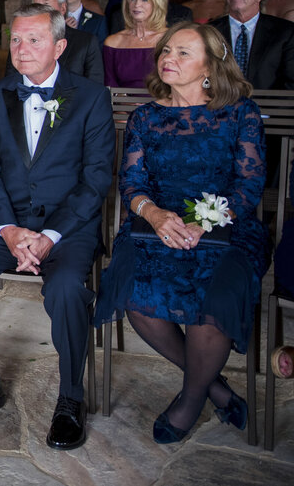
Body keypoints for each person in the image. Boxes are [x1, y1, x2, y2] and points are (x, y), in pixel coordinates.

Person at [0, 5, 114, 450]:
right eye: (16, 39)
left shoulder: (93, 97)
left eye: (34, 40)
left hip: (67, 229)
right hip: (6, 224)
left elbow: (96, 179)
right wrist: (9, 231)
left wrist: (49, 235)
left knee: (67, 289)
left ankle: (70, 397)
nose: (21, 49)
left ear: (60, 46)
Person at [93, 23, 262, 443]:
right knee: (139, 299)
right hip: (156, 228)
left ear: (211, 65)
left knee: (213, 304)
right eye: (166, 50)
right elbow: (131, 183)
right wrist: (154, 216)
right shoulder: (146, 116)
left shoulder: (241, 112)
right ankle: (217, 389)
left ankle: (191, 399)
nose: (168, 57)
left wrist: (202, 222)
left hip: (227, 229)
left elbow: (248, 186)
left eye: (183, 52)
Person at [210, 0, 294, 90]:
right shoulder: (210, 31)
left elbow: (290, 82)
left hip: (270, 107)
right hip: (218, 106)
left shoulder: (285, 32)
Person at [5, 0, 103, 84]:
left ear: (63, 8)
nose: (39, 11)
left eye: (46, 5)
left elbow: (94, 86)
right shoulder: (20, 42)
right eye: (35, 6)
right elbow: (9, 82)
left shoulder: (86, 42)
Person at [103, 0, 169, 88]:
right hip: (123, 104)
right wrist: (125, 101)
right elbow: (110, 83)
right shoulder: (113, 42)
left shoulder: (170, 38)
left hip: (162, 103)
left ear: (157, 4)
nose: (137, 4)